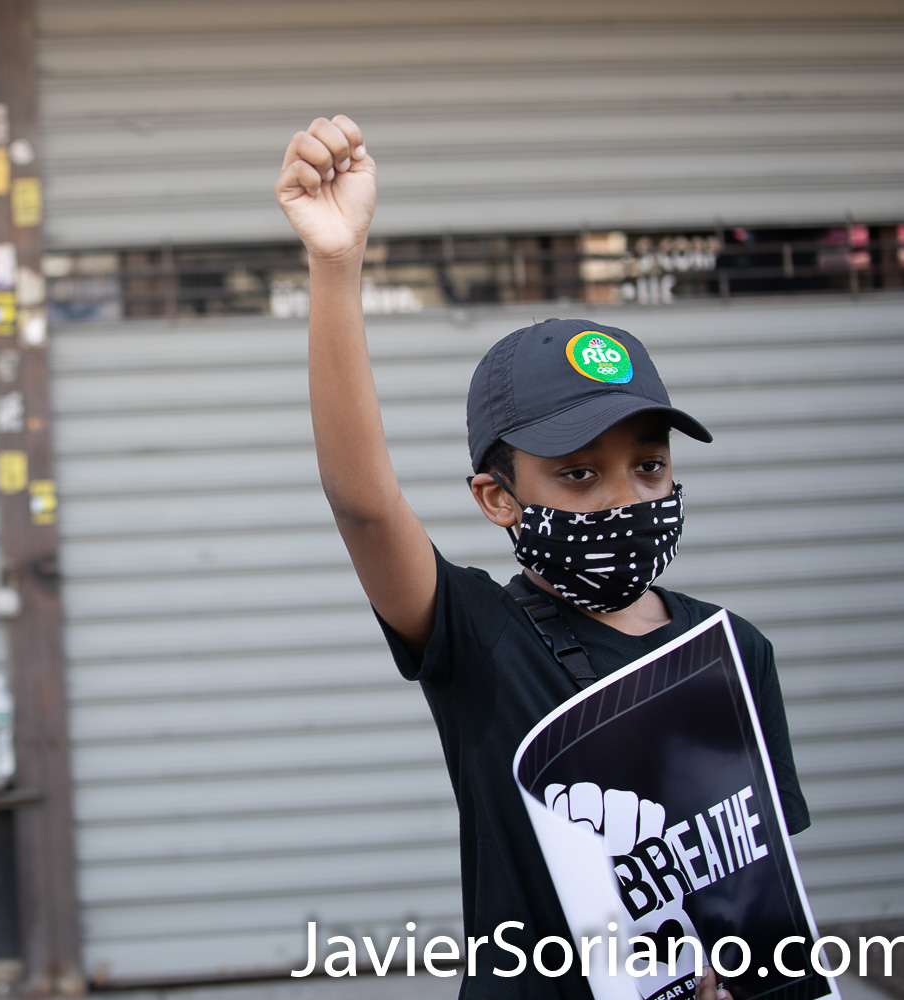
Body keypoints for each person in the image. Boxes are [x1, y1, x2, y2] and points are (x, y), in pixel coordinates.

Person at [274, 115, 809, 999]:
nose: (626, 497)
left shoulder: (734, 651)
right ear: (497, 499)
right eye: (578, 474)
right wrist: (336, 263)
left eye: (649, 465)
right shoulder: (481, 640)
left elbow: (761, 900)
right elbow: (365, 506)